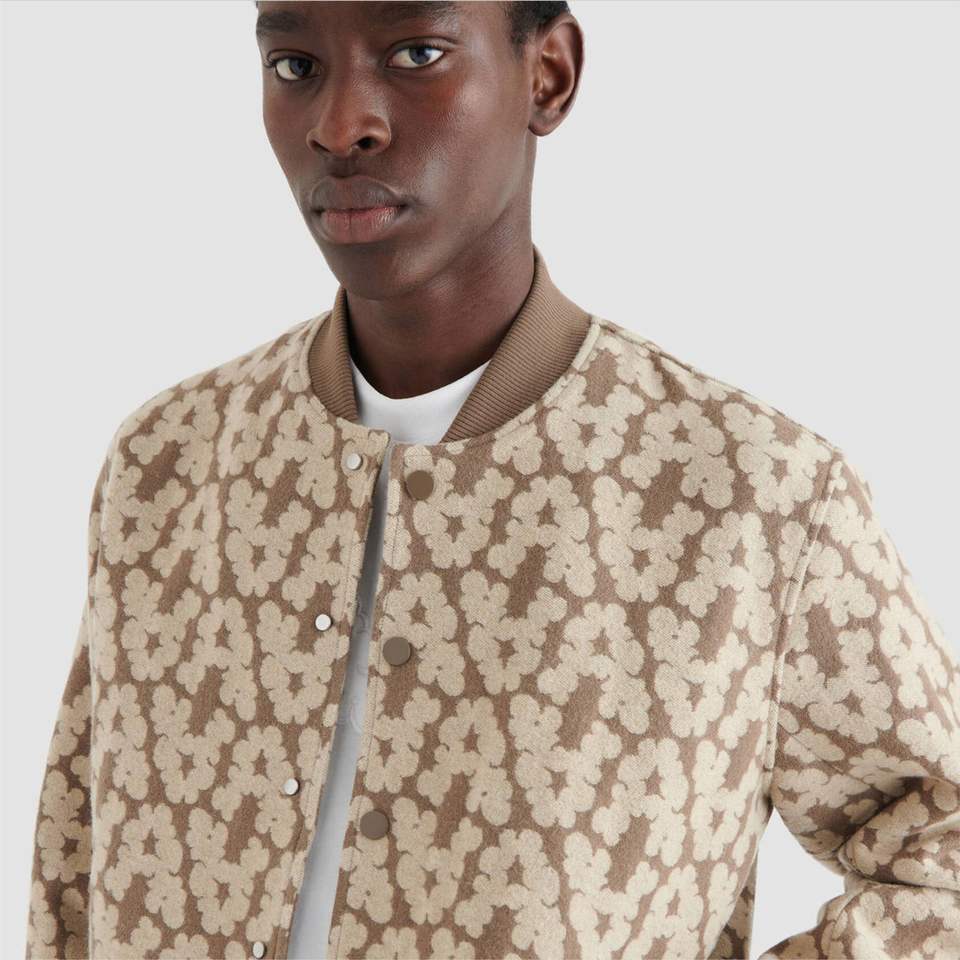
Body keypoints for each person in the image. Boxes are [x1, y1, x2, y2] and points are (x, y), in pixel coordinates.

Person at [25, 2, 960, 959]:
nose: (340, 125)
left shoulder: (748, 497)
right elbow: (73, 872)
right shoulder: (168, 464)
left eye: (415, 52)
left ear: (548, 75)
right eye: (296, 65)